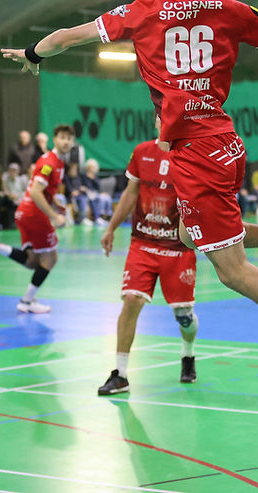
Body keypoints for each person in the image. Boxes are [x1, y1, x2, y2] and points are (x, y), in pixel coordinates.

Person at [1, 0, 258, 387]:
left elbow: (67, 37)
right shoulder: (229, 10)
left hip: (198, 155)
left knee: (233, 272)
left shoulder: (141, 14)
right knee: (187, 235)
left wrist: (32, 54)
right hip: (223, 143)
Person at [98, 125, 200, 394]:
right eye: (160, 114)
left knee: (184, 316)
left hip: (177, 248)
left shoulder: (191, 154)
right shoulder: (142, 152)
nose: (164, 119)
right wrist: (111, 228)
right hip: (143, 243)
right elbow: (131, 193)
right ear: (156, 120)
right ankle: (120, 374)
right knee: (131, 300)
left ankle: (188, 352)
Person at [0, 125, 75, 313]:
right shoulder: (49, 162)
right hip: (34, 214)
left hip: (24, 213)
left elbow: (45, 190)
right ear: (54, 139)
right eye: (62, 137)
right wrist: (54, 216)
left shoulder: (59, 162)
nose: (66, 141)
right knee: (50, 259)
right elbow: (36, 192)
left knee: (33, 261)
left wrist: (54, 203)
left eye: (69, 138)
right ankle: (26, 302)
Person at [80, 158, 112, 226]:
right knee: (98, 198)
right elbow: (84, 186)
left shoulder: (95, 177)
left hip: (95, 193)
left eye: (94, 167)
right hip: (87, 193)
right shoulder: (83, 176)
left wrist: (93, 178)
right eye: (91, 167)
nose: (93, 169)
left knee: (106, 197)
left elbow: (98, 187)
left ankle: (108, 216)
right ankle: (97, 217)